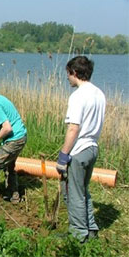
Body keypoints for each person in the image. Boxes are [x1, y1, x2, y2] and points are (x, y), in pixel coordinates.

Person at [56, 56, 106, 243]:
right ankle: (91, 229)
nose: (68, 78)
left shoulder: (78, 96)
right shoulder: (99, 93)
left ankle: (78, 235)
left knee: (74, 193)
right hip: (93, 147)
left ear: (75, 73)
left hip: (79, 150)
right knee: (84, 190)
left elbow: (73, 128)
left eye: (68, 74)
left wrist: (63, 156)